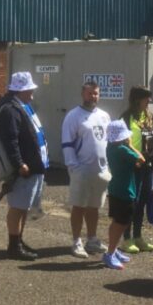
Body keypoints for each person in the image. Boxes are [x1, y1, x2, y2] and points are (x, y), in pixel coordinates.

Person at [0, 71, 49, 261]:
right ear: (20, 90)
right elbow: (10, 140)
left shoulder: (23, 106)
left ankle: (19, 240)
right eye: (29, 90)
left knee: (24, 206)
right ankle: (13, 245)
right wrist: (19, 163)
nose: (32, 93)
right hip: (23, 168)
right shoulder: (10, 110)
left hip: (33, 166)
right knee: (17, 207)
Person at [62, 82, 111, 258]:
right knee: (79, 206)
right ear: (83, 94)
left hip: (100, 170)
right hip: (81, 169)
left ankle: (92, 239)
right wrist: (74, 166)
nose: (93, 97)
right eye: (90, 93)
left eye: (96, 94)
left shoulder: (105, 116)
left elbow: (109, 141)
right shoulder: (73, 116)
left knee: (93, 207)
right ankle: (76, 241)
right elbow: (67, 143)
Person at [120, 87, 153, 254]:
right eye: (146, 98)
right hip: (133, 164)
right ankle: (126, 238)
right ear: (137, 99)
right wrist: (135, 157)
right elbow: (122, 142)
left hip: (148, 164)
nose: (149, 101)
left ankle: (138, 236)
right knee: (132, 202)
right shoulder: (126, 117)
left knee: (142, 201)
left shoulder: (149, 116)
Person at [102, 120, 145, 270]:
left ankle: (113, 251)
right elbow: (141, 159)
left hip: (115, 189)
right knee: (121, 223)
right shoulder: (122, 149)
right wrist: (131, 145)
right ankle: (110, 253)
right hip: (125, 191)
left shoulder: (110, 148)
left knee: (118, 221)